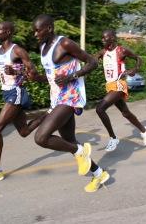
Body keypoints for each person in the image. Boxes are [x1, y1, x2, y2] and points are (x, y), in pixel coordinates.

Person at [29, 14, 108, 192]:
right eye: (33, 31)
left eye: (38, 30)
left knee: (41, 138)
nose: (35, 34)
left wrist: (72, 76)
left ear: (49, 28)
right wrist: (35, 78)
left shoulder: (64, 44)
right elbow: (52, 77)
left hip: (71, 96)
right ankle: (99, 174)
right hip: (57, 98)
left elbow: (92, 62)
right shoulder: (43, 47)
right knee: (69, 140)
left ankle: (81, 152)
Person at [0, 21, 47, 185]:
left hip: (16, 92)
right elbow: (3, 75)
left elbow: (34, 73)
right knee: (24, 131)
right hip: (7, 92)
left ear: (8, 32)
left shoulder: (17, 50)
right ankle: (49, 113)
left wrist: (17, 70)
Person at [93, 29, 146, 152]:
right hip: (110, 85)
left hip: (119, 85)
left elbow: (138, 58)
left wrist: (136, 68)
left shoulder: (121, 51)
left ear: (112, 38)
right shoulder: (103, 52)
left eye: (105, 38)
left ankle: (113, 138)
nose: (102, 40)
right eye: (101, 38)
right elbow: (93, 59)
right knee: (126, 113)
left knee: (100, 109)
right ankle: (144, 130)